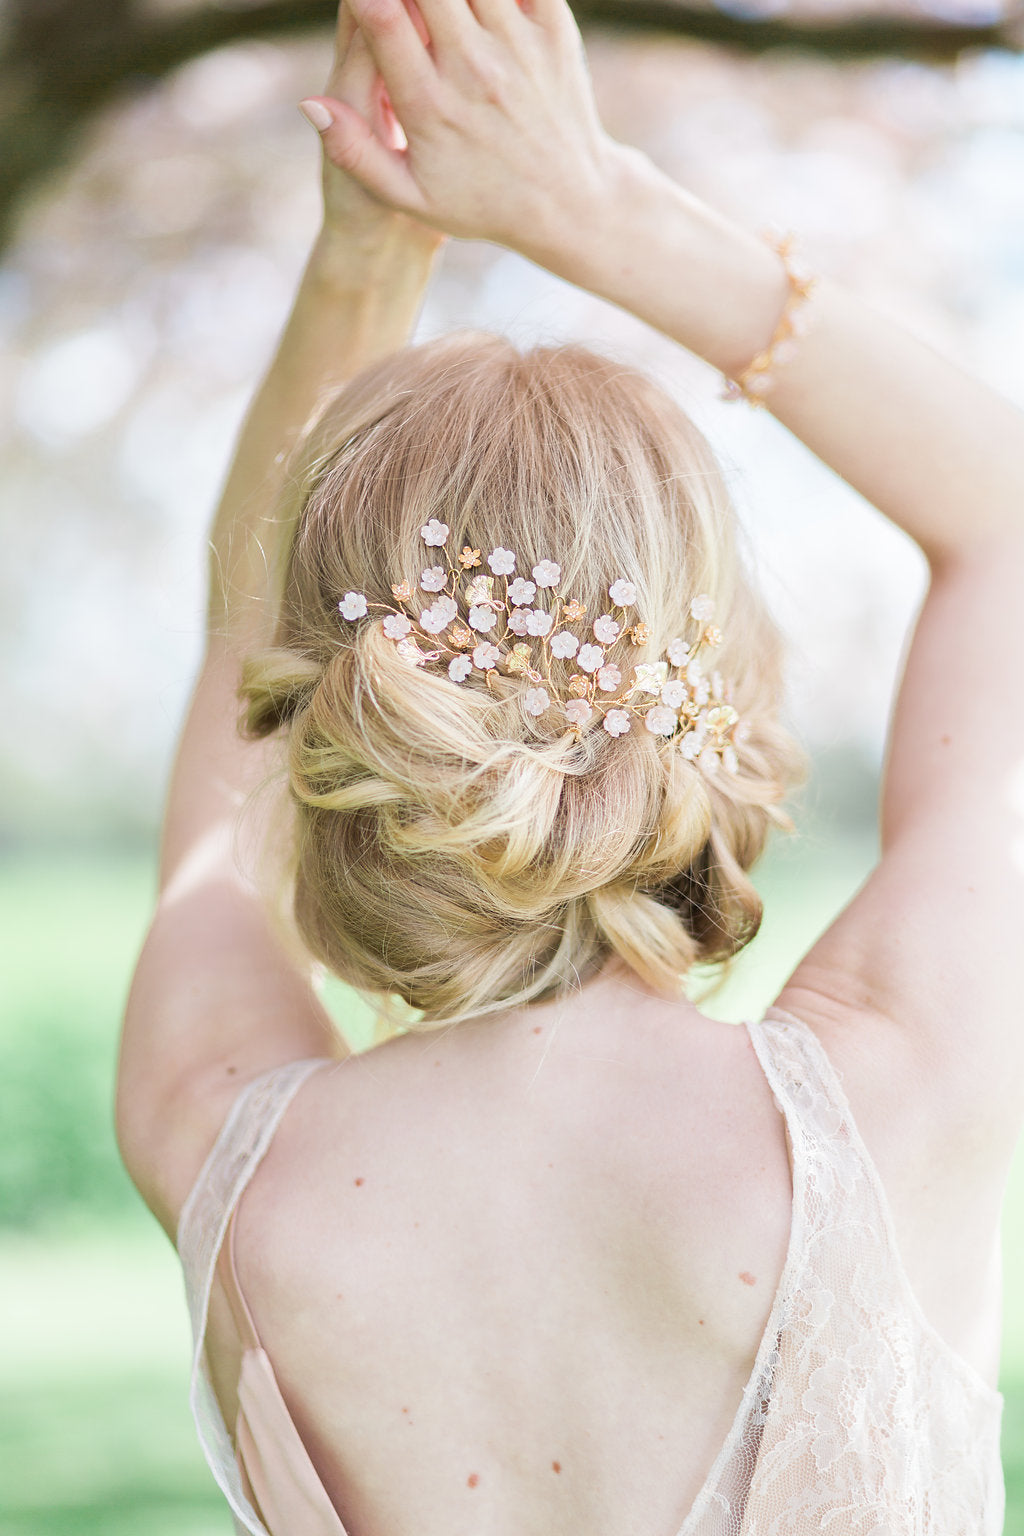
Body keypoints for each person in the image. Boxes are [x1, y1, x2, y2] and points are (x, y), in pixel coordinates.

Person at [115, 0, 1024, 1529]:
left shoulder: (223, 1149)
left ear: (335, 705)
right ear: (713, 673)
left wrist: (360, 261)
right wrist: (582, 200)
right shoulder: (894, 1092)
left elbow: (226, 659)